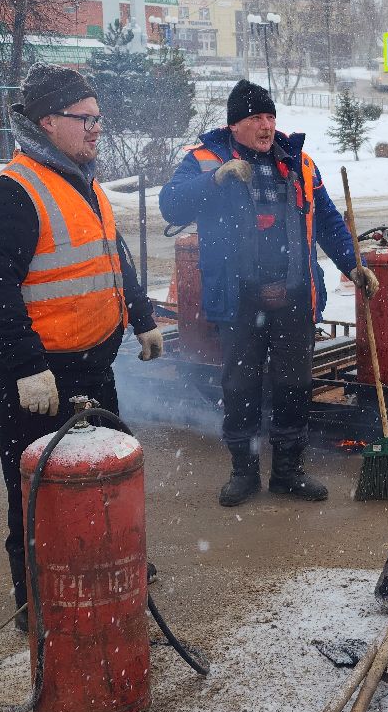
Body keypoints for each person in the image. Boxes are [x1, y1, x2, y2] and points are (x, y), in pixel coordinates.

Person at [0, 64, 163, 626]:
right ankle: (38, 601)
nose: (97, 128)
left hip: (92, 366)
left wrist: (141, 315)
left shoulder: (84, 180)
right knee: (36, 490)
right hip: (38, 381)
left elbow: (113, 256)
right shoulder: (10, 193)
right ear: (49, 121)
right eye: (86, 118)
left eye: (99, 118)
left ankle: (108, 567)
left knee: (105, 475)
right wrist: (28, 365)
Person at [159, 80, 376, 507]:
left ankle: (288, 472)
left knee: (294, 383)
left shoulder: (299, 163)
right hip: (240, 300)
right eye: (256, 118)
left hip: (294, 296)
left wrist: (353, 263)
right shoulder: (205, 160)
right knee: (240, 384)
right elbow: (171, 205)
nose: (266, 126)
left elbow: (329, 221)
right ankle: (243, 473)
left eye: (271, 117)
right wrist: (217, 181)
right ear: (235, 124)